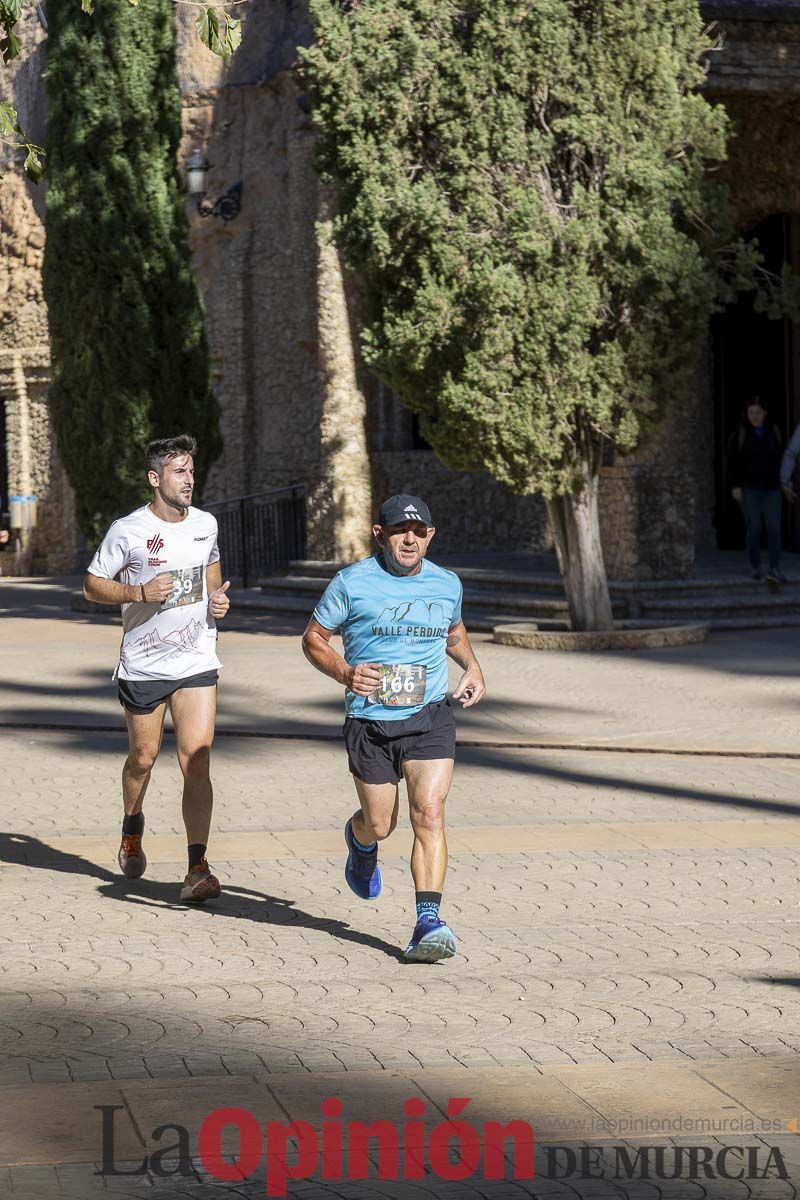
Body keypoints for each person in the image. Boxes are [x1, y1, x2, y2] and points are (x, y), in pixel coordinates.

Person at [301, 494, 486, 962]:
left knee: (429, 813)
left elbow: (454, 631)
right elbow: (313, 638)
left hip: (430, 717)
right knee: (381, 824)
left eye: (419, 532)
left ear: (430, 536)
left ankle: (428, 922)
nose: (410, 540)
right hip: (370, 722)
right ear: (380, 535)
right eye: (401, 531)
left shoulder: (447, 583)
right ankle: (360, 840)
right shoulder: (351, 582)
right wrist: (345, 673)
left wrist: (472, 666)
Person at [83, 434, 231, 902]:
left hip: (196, 659)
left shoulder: (206, 523)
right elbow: (91, 585)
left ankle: (197, 867)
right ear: (155, 478)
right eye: (179, 472)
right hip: (144, 665)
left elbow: (211, 574)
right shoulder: (128, 530)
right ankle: (132, 825)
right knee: (143, 758)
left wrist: (219, 600)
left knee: (197, 757)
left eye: (192, 471)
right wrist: (137, 592)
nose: (189, 480)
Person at [726, 398, 785, 583]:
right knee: (754, 528)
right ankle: (756, 566)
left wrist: (785, 481)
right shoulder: (741, 433)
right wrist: (735, 486)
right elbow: (732, 461)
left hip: (772, 488)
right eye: (751, 413)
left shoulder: (774, 431)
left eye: (758, 412)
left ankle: (774, 568)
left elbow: (782, 457)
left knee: (774, 528)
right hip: (749, 488)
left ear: (764, 413)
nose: (754, 416)